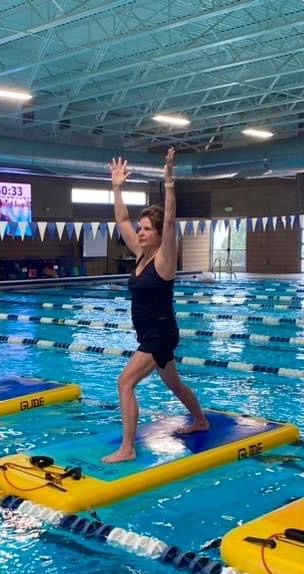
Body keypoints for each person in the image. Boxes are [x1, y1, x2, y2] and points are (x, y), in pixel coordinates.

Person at [102, 148, 210, 464]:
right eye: (142, 228)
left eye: (147, 229)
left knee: (125, 382)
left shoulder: (163, 259)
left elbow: (172, 220)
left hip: (160, 334)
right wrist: (117, 186)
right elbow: (121, 218)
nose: (140, 231)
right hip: (151, 334)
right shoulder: (140, 254)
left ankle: (128, 448)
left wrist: (169, 183)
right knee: (175, 384)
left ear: (158, 234)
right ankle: (200, 420)